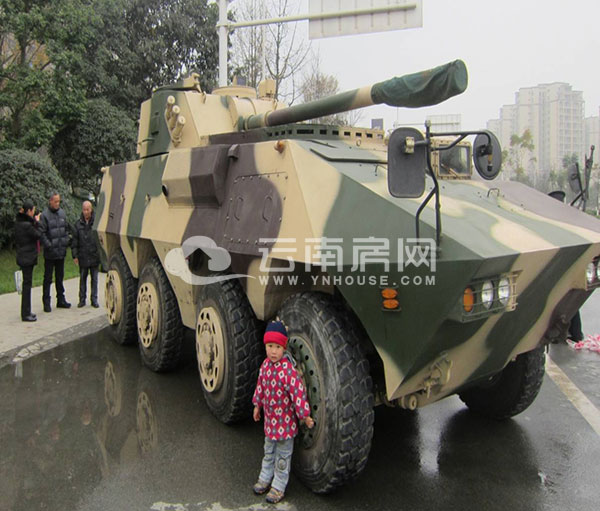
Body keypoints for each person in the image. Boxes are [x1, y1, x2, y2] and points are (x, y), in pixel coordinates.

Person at [252, 320, 315, 504]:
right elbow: (260, 387)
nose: (273, 351)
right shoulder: (265, 366)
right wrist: (257, 405)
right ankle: (265, 478)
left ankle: (279, 486)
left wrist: (305, 415)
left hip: (285, 425)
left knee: (283, 457)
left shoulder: (288, 370)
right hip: (270, 423)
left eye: (278, 347)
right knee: (268, 452)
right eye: (270, 346)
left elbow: (298, 394)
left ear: (284, 348)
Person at [39, 192, 71, 312]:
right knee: (48, 278)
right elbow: (41, 233)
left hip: (61, 251)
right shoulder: (44, 215)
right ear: (50, 201)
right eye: (56, 201)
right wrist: (49, 245)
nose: (57, 203)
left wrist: (66, 240)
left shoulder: (62, 213)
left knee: (60, 277)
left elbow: (66, 229)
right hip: (50, 253)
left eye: (59, 201)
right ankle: (46, 302)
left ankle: (61, 299)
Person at [14, 200, 41, 322]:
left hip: (23, 255)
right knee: (27, 285)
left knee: (26, 284)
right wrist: (37, 222)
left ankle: (27, 311)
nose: (34, 213)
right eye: (33, 210)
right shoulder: (27, 225)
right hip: (27, 257)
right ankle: (25, 313)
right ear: (29, 211)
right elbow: (37, 234)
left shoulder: (19, 223)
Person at [72, 201, 100, 308]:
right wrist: (75, 255)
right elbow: (74, 241)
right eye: (84, 210)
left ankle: (94, 299)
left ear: (91, 210)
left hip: (94, 255)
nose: (86, 212)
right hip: (83, 255)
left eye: (88, 210)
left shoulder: (96, 223)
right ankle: (82, 299)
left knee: (94, 279)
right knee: (83, 278)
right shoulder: (78, 224)